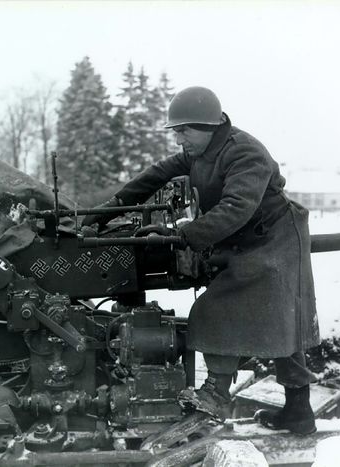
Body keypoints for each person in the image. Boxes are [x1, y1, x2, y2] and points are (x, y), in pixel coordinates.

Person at [82, 86, 320, 435]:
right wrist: (106, 211)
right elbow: (154, 176)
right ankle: (299, 413)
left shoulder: (245, 153)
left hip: (275, 239)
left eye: (183, 131)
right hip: (246, 237)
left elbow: (236, 208)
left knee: (222, 305)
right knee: (280, 323)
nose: (179, 140)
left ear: (209, 126)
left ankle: (216, 396)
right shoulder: (201, 151)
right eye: (176, 131)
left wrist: (185, 235)